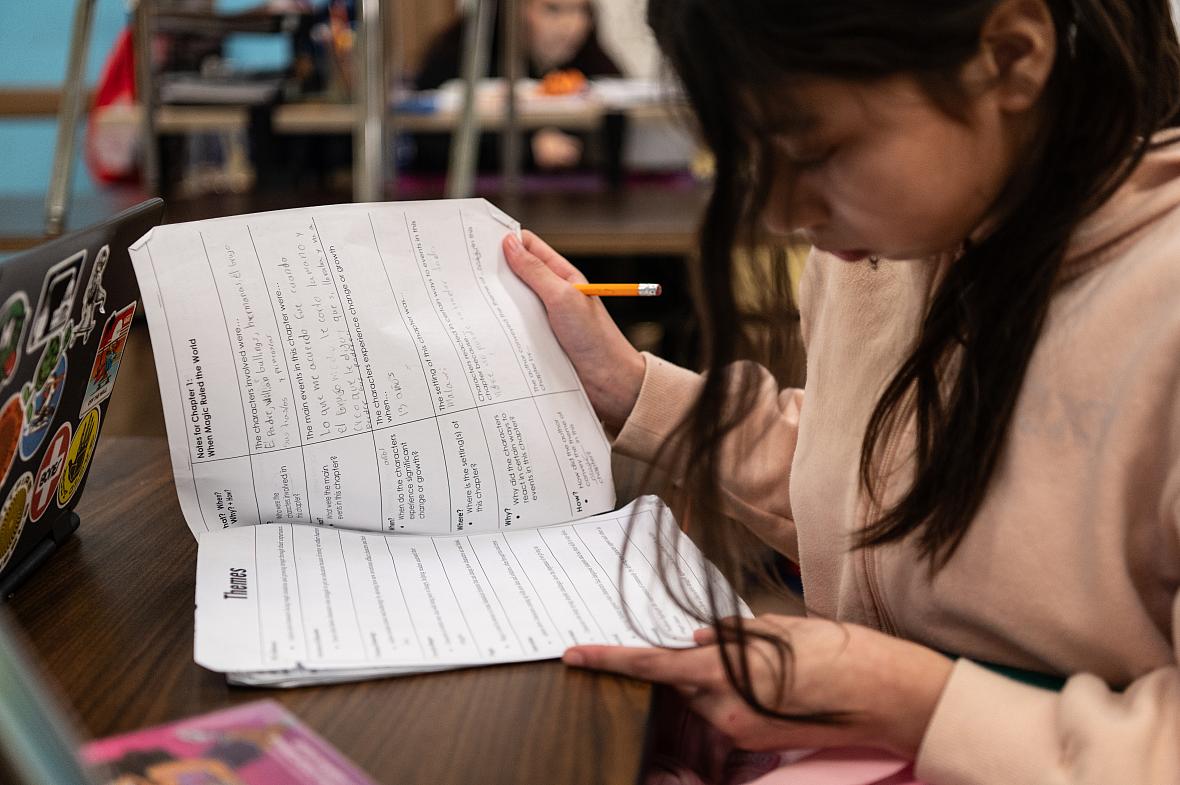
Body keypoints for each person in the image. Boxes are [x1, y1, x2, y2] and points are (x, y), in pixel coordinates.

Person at [500, 1, 1180, 782]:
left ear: (1011, 56)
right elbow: (869, 475)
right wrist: (630, 389)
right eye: (753, 160)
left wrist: (906, 696)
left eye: (817, 151)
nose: (781, 213)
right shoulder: (884, 247)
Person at [409, 0, 622, 173]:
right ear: (512, 10)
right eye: (553, 9)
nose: (572, 25)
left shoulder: (589, 57)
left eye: (582, 11)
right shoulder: (460, 54)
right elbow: (430, 141)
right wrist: (527, 149)